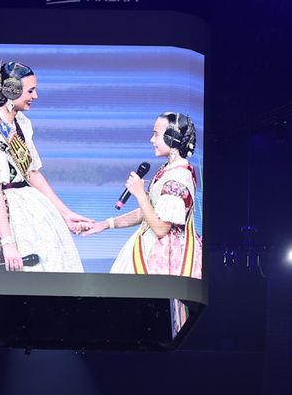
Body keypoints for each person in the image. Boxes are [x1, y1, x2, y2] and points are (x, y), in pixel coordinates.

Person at [0, 61, 89, 273]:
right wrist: (8, 243)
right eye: (30, 91)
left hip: (27, 204)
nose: (35, 96)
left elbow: (32, 172)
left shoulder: (20, 122)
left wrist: (65, 213)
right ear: (12, 91)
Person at [74, 113, 202, 277]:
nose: (152, 140)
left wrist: (140, 193)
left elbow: (161, 228)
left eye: (156, 134)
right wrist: (106, 224)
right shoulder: (168, 169)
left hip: (168, 257)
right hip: (152, 244)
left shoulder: (178, 178)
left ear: (172, 138)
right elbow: (149, 212)